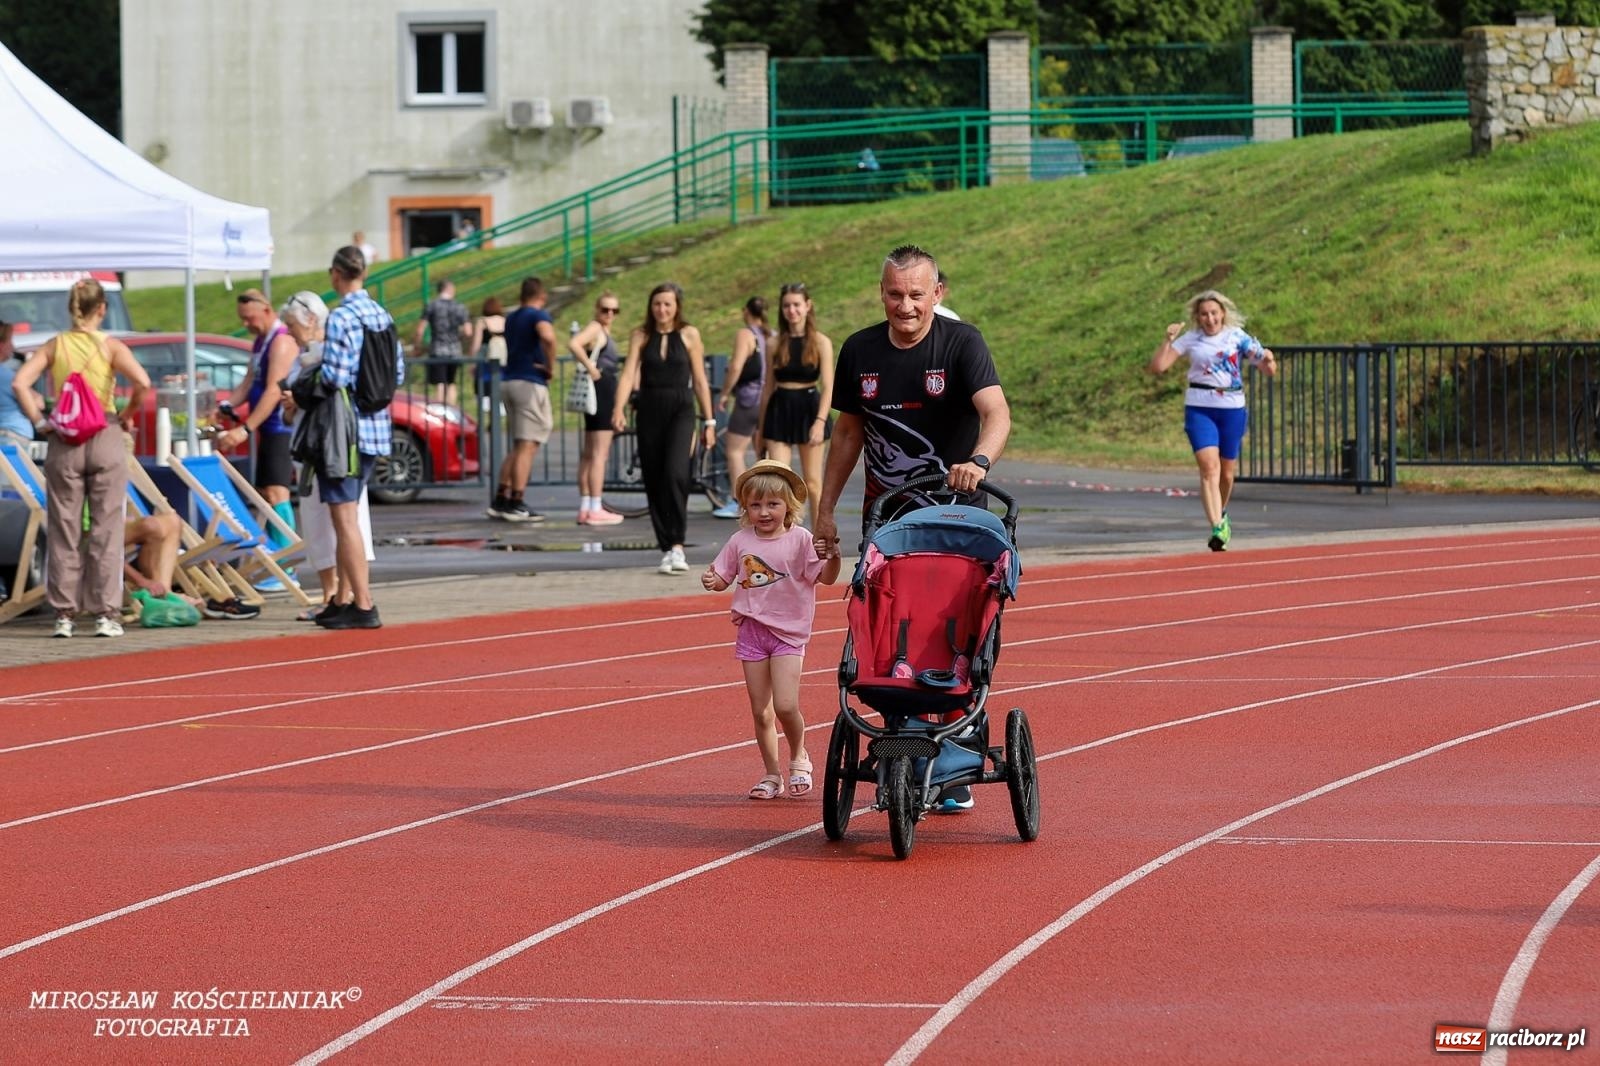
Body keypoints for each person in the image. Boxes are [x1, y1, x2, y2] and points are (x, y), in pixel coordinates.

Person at [813, 245, 1011, 813]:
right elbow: (848, 433)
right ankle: (904, 743)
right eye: (896, 294)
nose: (906, 305)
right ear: (882, 293)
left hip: (955, 520)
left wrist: (979, 462)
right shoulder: (860, 350)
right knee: (887, 632)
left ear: (937, 294)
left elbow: (996, 413)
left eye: (917, 295)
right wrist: (826, 509)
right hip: (889, 521)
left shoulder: (961, 343)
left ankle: (952, 746)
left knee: (952, 628)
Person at [10, 277, 151, 638]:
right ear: (102, 309)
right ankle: (105, 613)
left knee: (64, 529)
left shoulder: (55, 345)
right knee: (107, 528)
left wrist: (40, 421)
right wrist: (126, 413)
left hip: (65, 438)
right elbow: (144, 383)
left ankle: (64, 615)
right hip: (104, 432)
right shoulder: (110, 347)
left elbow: (20, 383)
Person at [701, 459, 840, 799]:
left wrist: (834, 555)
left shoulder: (801, 539)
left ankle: (799, 756)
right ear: (745, 507)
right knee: (760, 710)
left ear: (789, 505)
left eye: (773, 504)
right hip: (752, 632)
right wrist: (712, 580)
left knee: (786, 706)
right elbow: (723, 576)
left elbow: (827, 577)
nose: (764, 512)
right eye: (756, 505)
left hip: (788, 635)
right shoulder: (739, 540)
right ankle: (771, 774)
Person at [311, 245, 400, 630]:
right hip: (376, 425)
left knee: (343, 516)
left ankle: (363, 603)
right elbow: (397, 373)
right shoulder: (383, 314)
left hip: (344, 430)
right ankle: (345, 598)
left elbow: (334, 376)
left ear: (336, 274)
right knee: (349, 514)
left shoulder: (342, 317)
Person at [1148, 289, 1277, 552]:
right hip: (1199, 407)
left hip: (1231, 408)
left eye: (1214, 313)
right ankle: (1217, 527)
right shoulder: (1191, 339)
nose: (1210, 319)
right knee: (1209, 468)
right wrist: (1167, 340)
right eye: (1204, 314)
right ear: (1197, 317)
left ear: (1223, 314)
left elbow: (1267, 368)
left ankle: (1222, 513)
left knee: (1226, 474)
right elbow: (1159, 367)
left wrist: (1269, 359)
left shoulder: (1237, 337)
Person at [279, 291, 376, 621]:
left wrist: (299, 398)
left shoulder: (331, 348)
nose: (289, 331)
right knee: (328, 521)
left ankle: (350, 597)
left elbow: (332, 385)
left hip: (331, 444)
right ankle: (337, 596)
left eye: (291, 324)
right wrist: (292, 406)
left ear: (309, 320)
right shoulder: (303, 354)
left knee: (342, 520)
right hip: (316, 443)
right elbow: (290, 407)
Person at [611, 281, 716, 575]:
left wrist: (709, 420)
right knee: (655, 478)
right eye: (657, 304)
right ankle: (666, 547)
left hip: (681, 408)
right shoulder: (641, 336)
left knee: (676, 473)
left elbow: (699, 379)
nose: (662, 309)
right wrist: (618, 409)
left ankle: (678, 544)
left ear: (677, 306)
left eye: (668, 304)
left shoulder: (690, 334)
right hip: (649, 408)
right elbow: (629, 372)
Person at [216, 289, 299, 592]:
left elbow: (274, 391)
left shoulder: (281, 341)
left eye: (249, 318)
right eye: (243, 319)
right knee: (266, 495)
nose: (247, 324)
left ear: (265, 310)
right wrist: (227, 406)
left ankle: (288, 566)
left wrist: (245, 429)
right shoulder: (261, 342)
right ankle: (276, 562)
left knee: (278, 495)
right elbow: (249, 381)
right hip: (267, 429)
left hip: (279, 428)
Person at [754, 282, 833, 522]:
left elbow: (829, 386)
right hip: (780, 408)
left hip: (810, 407)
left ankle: (820, 534)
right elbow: (767, 386)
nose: (792, 310)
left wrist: (820, 422)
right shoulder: (774, 343)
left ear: (807, 306)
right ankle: (785, 534)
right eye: (787, 305)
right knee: (780, 477)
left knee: (812, 481)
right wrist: (761, 428)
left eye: (797, 305)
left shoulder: (820, 342)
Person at [487, 277, 556, 523]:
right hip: (529, 382)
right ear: (542, 296)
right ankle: (517, 501)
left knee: (518, 445)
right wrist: (550, 365)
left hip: (509, 380)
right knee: (528, 445)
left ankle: (501, 498)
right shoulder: (538, 315)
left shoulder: (513, 317)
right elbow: (547, 337)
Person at [567, 292, 624, 526]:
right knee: (599, 453)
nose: (609, 314)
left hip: (599, 390)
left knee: (590, 452)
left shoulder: (601, 330)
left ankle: (586, 505)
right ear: (596, 309)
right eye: (605, 309)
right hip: (601, 389)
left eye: (614, 311)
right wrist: (591, 367)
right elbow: (574, 343)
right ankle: (595, 506)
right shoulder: (596, 328)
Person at [711, 296, 771, 520]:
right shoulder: (770, 335)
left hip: (748, 398)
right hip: (768, 399)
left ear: (746, 311)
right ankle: (767, 500)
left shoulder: (746, 334)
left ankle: (739, 501)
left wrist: (725, 392)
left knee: (734, 450)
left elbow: (736, 366)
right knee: (761, 452)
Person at [411, 278, 472, 406]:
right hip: (454, 349)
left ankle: (440, 413)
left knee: (440, 384)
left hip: (437, 349)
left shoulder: (431, 305)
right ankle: (452, 413)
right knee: (451, 383)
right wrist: (457, 338)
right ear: (450, 289)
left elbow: (420, 330)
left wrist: (417, 346)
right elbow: (468, 331)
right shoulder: (459, 307)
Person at [466, 295, 507, 418]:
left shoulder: (482, 322)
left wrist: (472, 361)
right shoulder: (504, 321)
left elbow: (476, 345)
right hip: (502, 361)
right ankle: (496, 418)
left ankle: (489, 418)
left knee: (484, 390)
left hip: (485, 362)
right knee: (498, 390)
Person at [0, 318, 33, 444]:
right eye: (10, 341)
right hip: (12, 436)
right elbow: (37, 402)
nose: (13, 346)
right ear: (1, 346)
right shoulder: (8, 376)